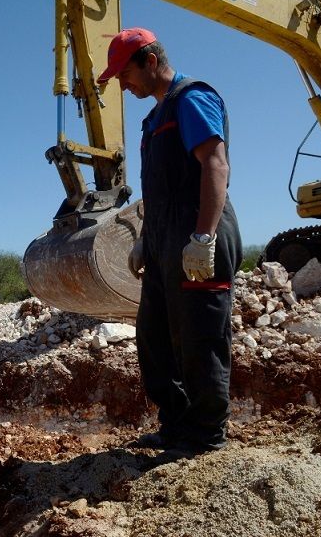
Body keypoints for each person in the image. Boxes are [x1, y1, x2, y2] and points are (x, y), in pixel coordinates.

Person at [97, 28, 242, 454]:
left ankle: (205, 437)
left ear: (151, 62)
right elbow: (159, 187)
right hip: (163, 239)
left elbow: (215, 165)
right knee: (155, 340)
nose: (123, 84)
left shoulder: (191, 99)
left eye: (125, 74)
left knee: (200, 337)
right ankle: (176, 426)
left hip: (199, 232)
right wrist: (146, 238)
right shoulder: (152, 119)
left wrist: (203, 237)